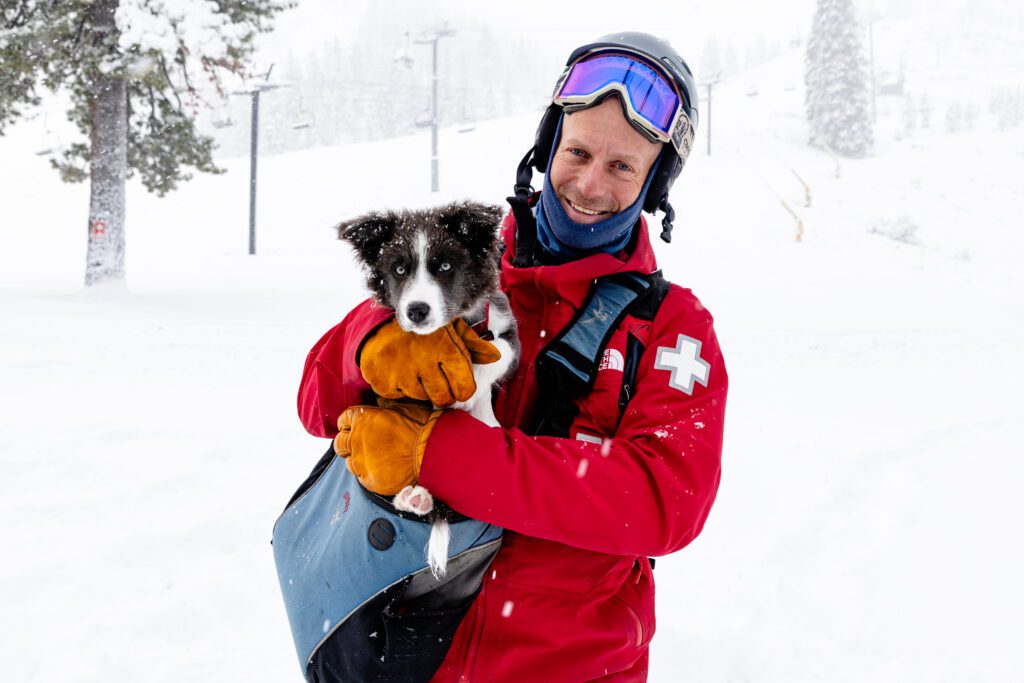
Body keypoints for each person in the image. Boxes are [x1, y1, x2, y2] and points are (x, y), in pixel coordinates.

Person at [298, 32, 727, 682]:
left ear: (653, 181)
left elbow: (664, 500)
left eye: (622, 166)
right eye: (578, 151)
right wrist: (369, 343)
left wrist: (437, 453)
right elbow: (315, 400)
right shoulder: (457, 260)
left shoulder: (671, 327)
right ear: (548, 144)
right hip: (411, 656)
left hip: (571, 667)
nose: (589, 183)